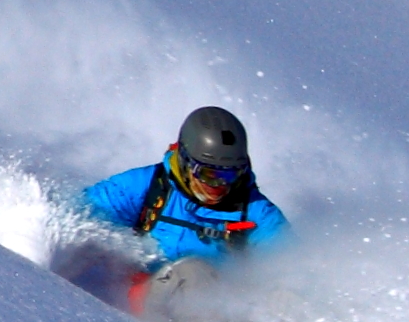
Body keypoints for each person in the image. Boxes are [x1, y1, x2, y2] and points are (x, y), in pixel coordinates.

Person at [76, 106, 290, 297]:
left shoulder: (257, 213)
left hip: (222, 309)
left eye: (232, 175)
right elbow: (81, 214)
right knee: (193, 274)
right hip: (143, 294)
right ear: (186, 162)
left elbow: (289, 268)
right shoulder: (147, 186)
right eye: (209, 174)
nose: (220, 185)